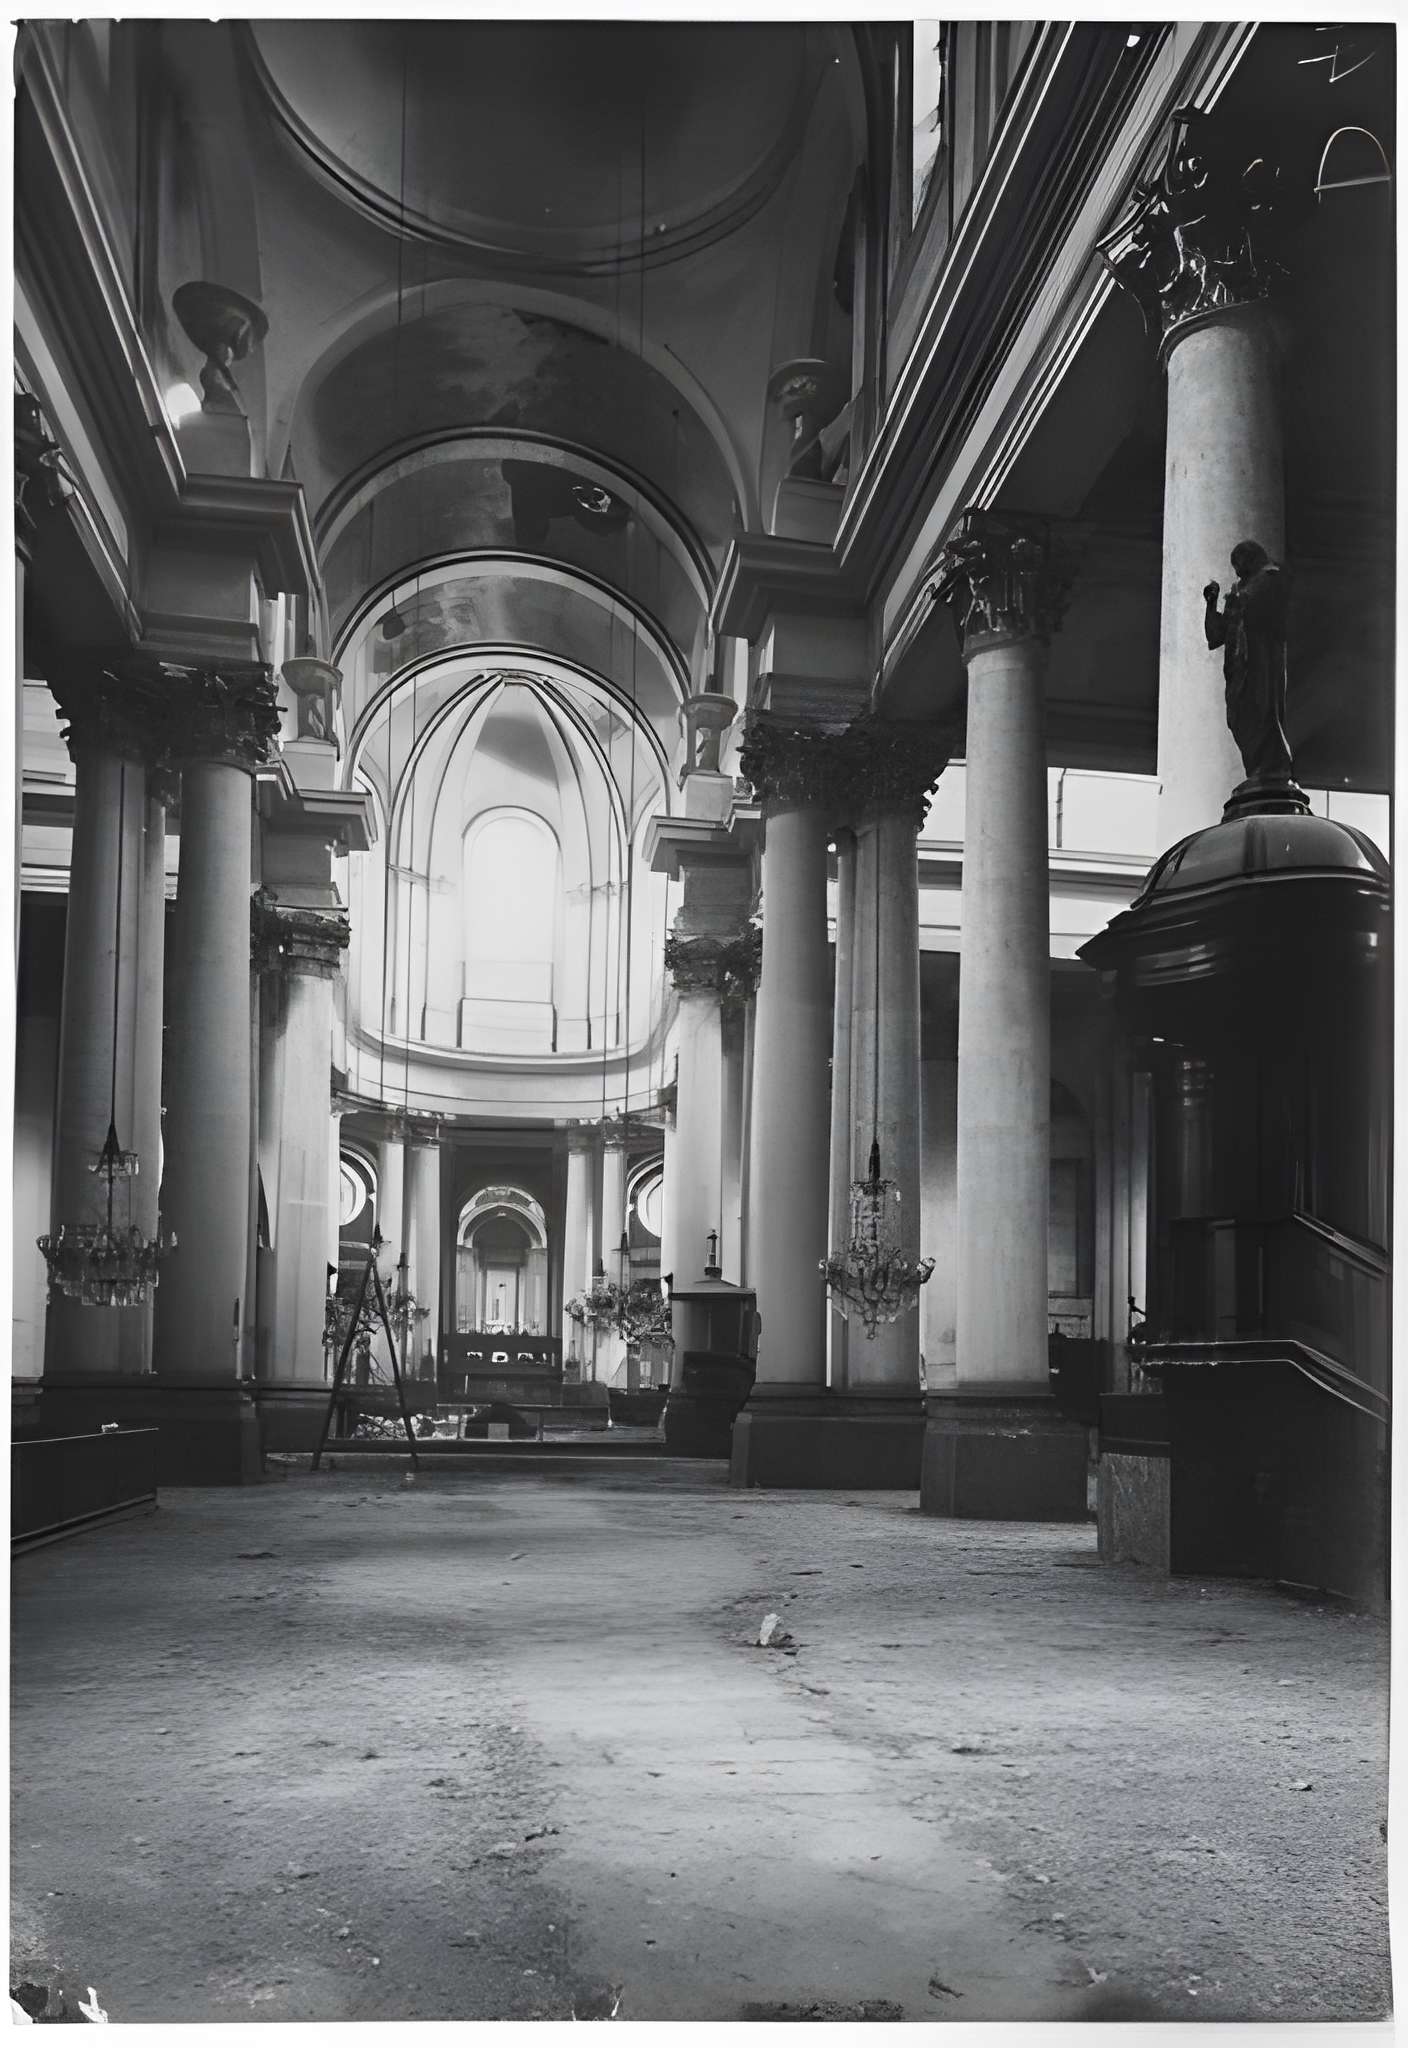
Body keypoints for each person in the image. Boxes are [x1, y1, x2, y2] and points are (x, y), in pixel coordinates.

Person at [1203, 539, 1294, 783]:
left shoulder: (1270, 578)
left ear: (1252, 559)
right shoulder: (1242, 588)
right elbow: (1216, 635)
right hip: (1237, 669)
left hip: (1260, 664)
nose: (1237, 571)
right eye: (1235, 567)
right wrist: (1211, 603)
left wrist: (1239, 600)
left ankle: (1271, 772)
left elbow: (1271, 616)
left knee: (1262, 714)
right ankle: (1258, 772)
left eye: (1240, 564)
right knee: (1240, 719)